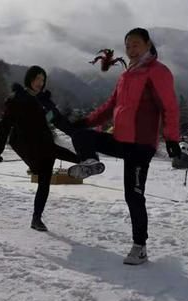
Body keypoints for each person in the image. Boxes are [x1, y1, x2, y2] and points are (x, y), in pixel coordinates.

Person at [68, 28, 181, 265]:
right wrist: (87, 121)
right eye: (127, 45)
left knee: (134, 196)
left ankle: (140, 247)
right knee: (81, 135)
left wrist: (172, 139)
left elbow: (169, 106)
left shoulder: (158, 72)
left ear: (148, 44)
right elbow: (111, 106)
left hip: (141, 145)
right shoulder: (127, 75)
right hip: (121, 139)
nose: (131, 49)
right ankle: (90, 162)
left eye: (136, 44)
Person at [0, 66, 80, 232]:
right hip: (26, 143)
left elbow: (58, 120)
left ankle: (36, 219)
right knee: (52, 151)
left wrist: (76, 133)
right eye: (37, 79)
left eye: (42, 80)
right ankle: (82, 160)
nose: (40, 83)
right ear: (29, 79)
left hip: (44, 142)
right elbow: (4, 126)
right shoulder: (17, 99)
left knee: (44, 182)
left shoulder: (44, 101)